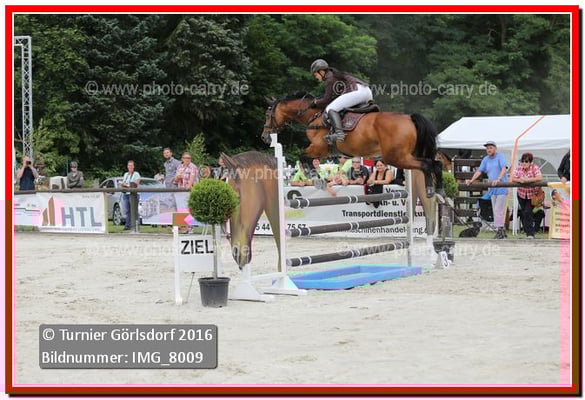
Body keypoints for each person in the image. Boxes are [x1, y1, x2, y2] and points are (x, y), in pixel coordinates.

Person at [309, 59, 373, 143]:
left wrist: (315, 102)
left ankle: (339, 134)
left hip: (357, 92)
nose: (316, 77)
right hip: (367, 92)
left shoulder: (330, 78)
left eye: (316, 74)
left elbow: (326, 99)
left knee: (330, 109)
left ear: (321, 72)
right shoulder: (334, 74)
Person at [465, 141, 509, 239]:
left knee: (498, 210)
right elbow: (479, 171)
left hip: (501, 187)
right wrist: (471, 180)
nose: (489, 150)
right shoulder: (486, 159)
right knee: (495, 210)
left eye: (491, 148)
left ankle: (500, 230)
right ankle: (502, 231)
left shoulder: (500, 156)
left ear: (495, 148)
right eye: (487, 148)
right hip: (492, 188)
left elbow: (504, 168)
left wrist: (498, 179)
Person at [510, 152, 543, 239]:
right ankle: (529, 233)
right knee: (525, 213)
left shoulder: (535, 167)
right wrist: (519, 180)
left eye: (526, 161)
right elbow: (512, 178)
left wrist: (528, 180)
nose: (524, 163)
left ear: (531, 162)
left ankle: (530, 234)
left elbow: (540, 177)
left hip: (532, 195)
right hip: (521, 194)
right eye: (523, 161)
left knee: (528, 212)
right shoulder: (519, 168)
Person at [120, 160, 141, 230]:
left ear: (133, 166)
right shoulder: (126, 174)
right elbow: (123, 183)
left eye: (131, 165)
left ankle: (136, 225)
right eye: (129, 165)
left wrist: (126, 185)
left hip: (133, 194)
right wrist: (123, 184)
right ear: (127, 166)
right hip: (126, 194)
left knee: (134, 210)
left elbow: (136, 184)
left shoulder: (136, 174)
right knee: (127, 211)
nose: (130, 167)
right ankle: (127, 225)